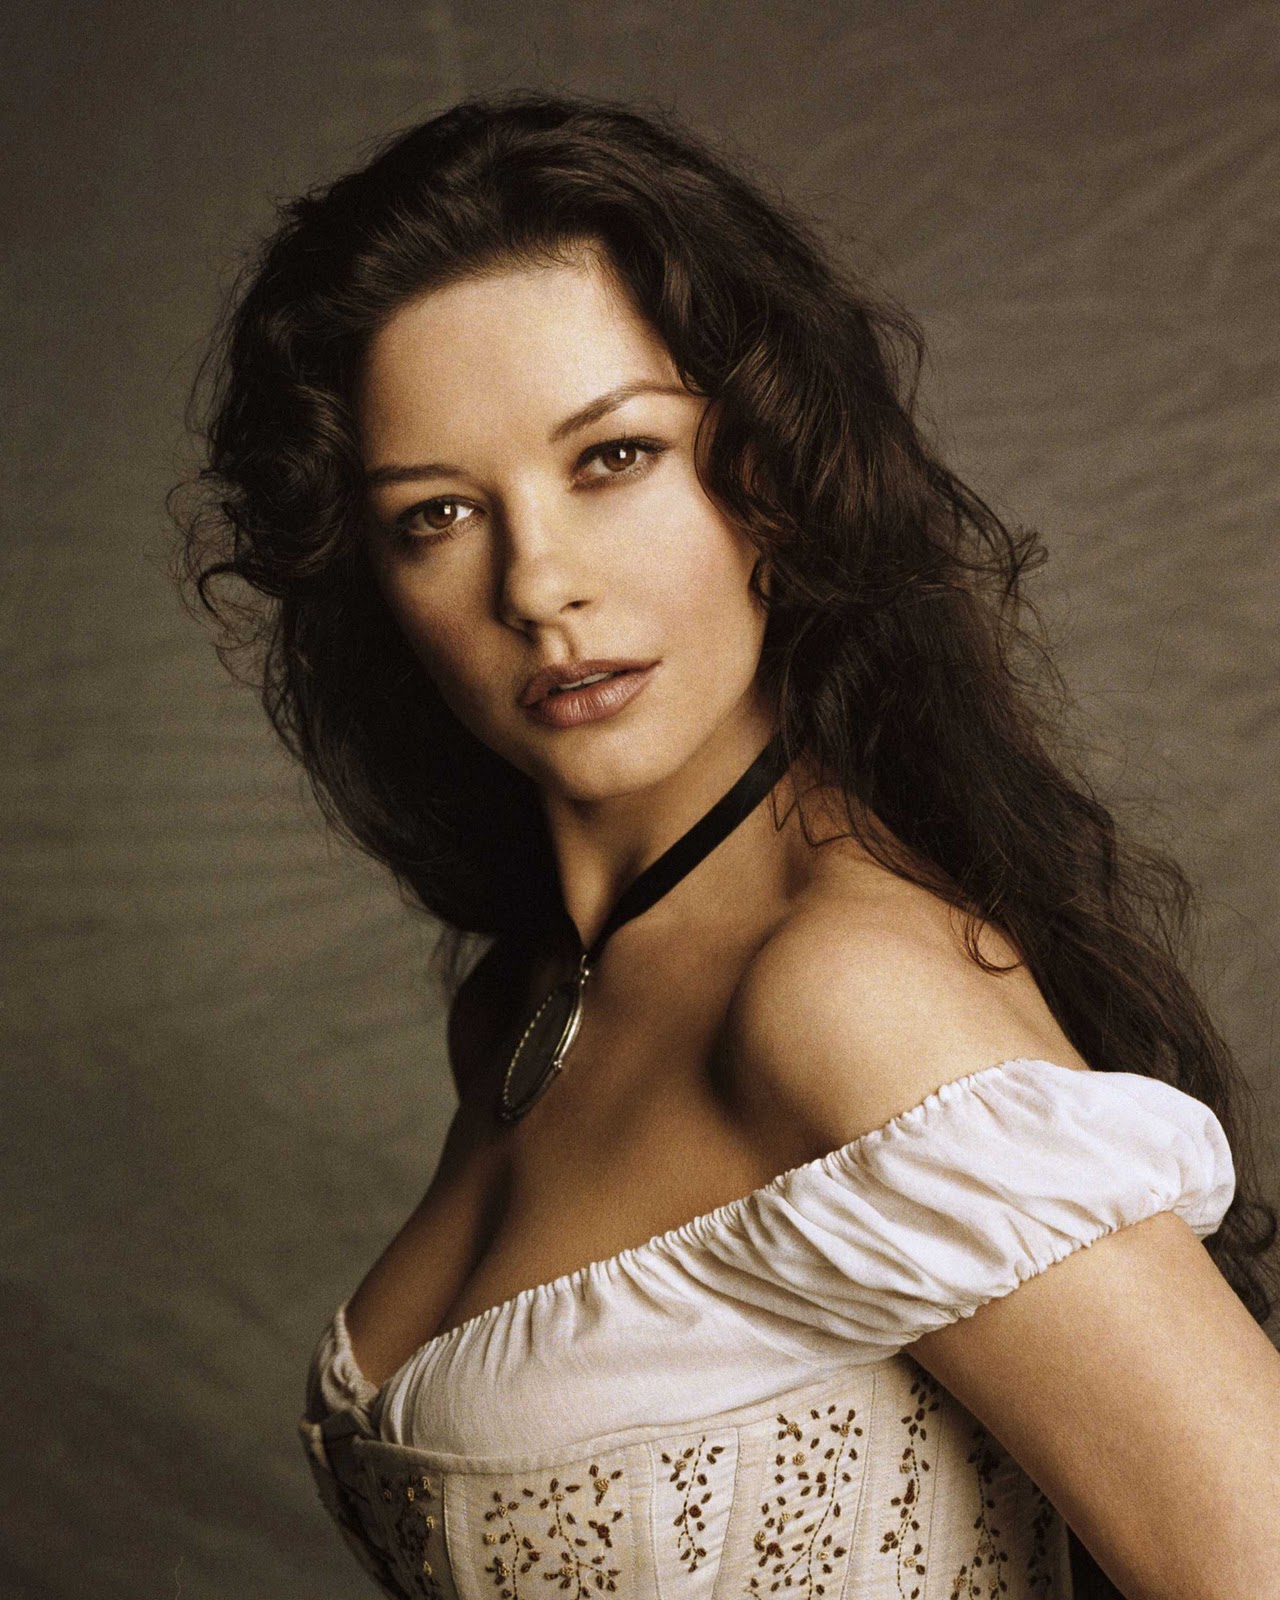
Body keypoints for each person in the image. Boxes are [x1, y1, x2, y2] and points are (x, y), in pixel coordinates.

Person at [177, 93, 1280, 1599]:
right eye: (437, 514)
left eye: (613, 457)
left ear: (771, 472)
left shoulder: (845, 993)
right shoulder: (525, 1007)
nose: (538, 584)